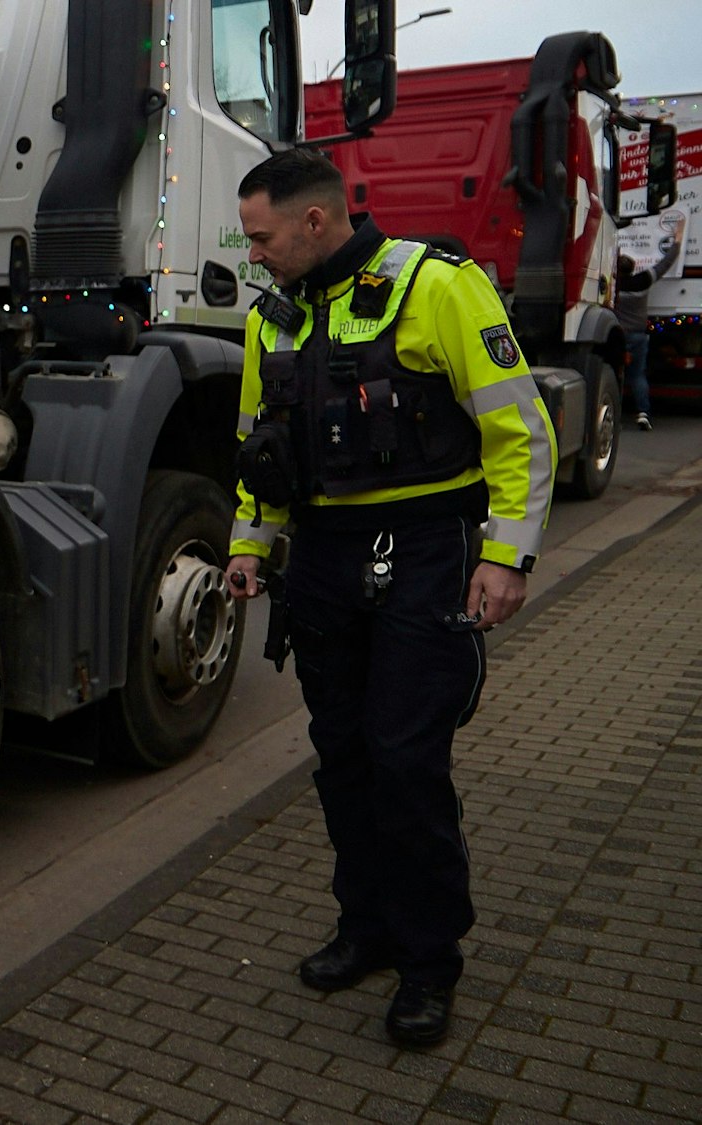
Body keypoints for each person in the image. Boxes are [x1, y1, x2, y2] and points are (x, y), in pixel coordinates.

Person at [224, 149, 556, 1049]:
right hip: (323, 561)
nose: (253, 254)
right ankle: (365, 927)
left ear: (315, 221)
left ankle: (427, 960)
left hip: (421, 552)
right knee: (343, 757)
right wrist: (250, 543)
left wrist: (507, 557)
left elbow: (519, 428)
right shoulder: (272, 319)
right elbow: (260, 447)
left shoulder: (436, 286)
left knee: (406, 761)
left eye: (262, 237)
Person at [617, 212, 685, 430]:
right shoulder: (644, 280)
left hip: (617, 336)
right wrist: (678, 238)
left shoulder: (613, 286)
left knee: (615, 374)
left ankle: (613, 413)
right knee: (638, 375)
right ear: (633, 267)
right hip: (638, 336)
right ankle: (643, 413)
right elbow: (666, 262)